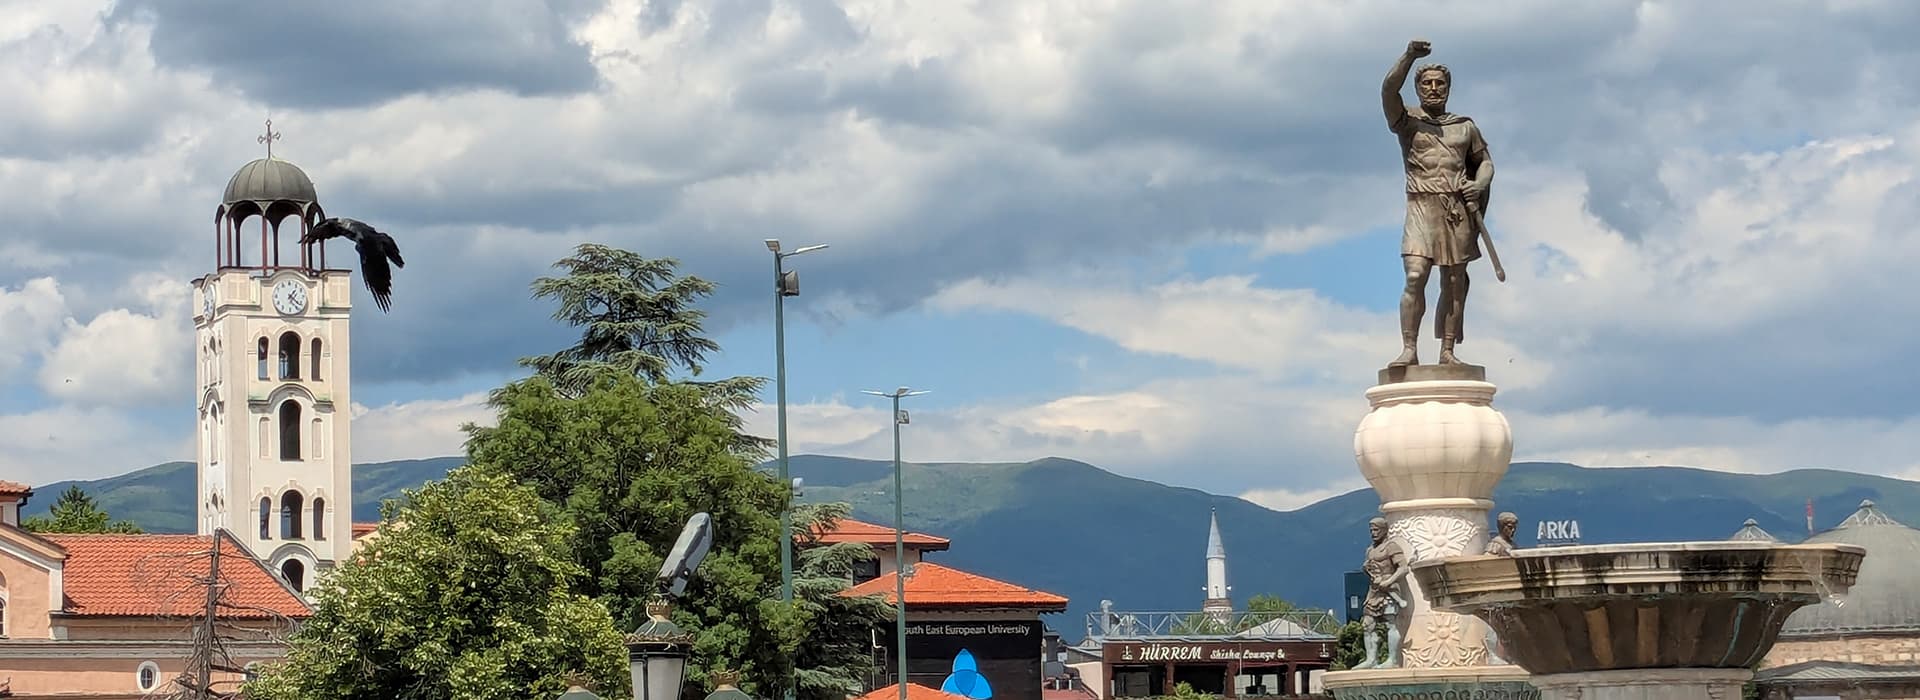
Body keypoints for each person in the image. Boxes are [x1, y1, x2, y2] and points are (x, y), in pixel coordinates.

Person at [1382, 39, 1495, 367]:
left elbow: (1485, 162)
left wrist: (1479, 184)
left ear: (1448, 88)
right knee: (1416, 276)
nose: (1434, 89)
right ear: (1418, 88)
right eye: (1427, 83)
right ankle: (1409, 348)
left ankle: (1447, 351)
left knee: (1455, 280)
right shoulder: (1407, 121)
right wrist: (1408, 57)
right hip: (1421, 205)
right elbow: (1388, 90)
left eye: (1440, 83)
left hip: (1455, 210)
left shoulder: (1464, 126)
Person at [1353, 517, 1410, 669]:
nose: (1373, 533)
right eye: (1371, 530)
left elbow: (1403, 568)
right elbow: (1371, 568)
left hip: (1390, 589)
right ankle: (1371, 659)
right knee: (1367, 624)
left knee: (1391, 623)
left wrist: (1389, 581)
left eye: (1376, 530)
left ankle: (1392, 659)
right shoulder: (1370, 550)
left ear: (1384, 530)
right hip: (1374, 590)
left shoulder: (1391, 547)